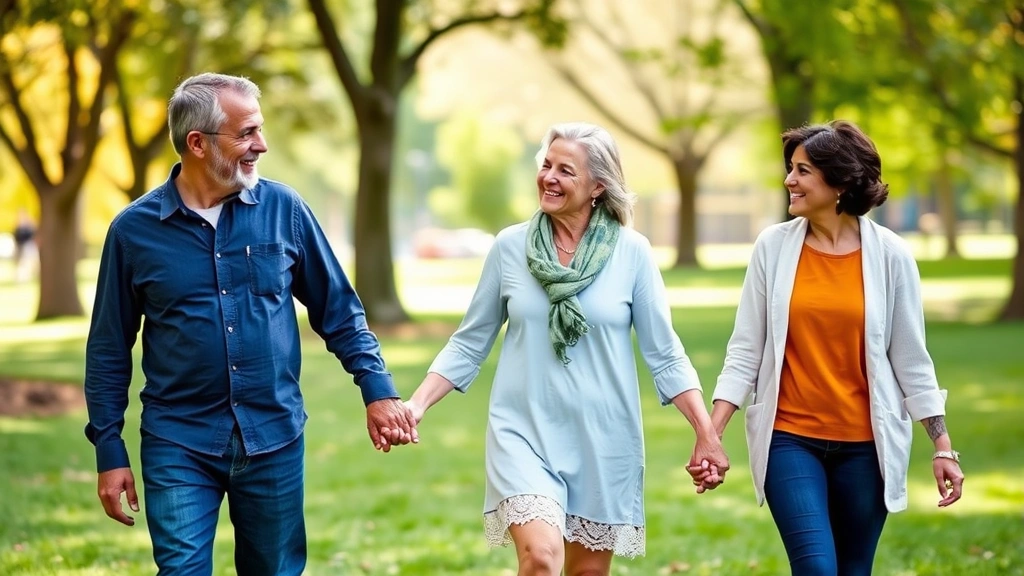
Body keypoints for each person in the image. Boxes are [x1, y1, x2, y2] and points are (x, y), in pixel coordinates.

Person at [83, 72, 417, 575]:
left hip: (274, 435)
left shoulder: (285, 209)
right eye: (246, 134)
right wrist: (109, 449)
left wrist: (378, 390)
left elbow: (339, 310)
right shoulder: (133, 232)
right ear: (197, 143)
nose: (261, 145)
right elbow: (108, 349)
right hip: (179, 440)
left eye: (259, 130)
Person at [400, 122, 728, 576]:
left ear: (597, 186)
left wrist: (705, 433)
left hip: (605, 437)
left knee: (586, 572)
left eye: (565, 170)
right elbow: (470, 341)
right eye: (546, 165)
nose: (549, 177)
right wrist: (416, 405)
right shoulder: (510, 248)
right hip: (524, 430)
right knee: (540, 558)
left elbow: (665, 353)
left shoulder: (632, 253)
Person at [690, 120, 965, 575]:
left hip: (866, 448)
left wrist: (942, 446)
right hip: (790, 440)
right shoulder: (772, 249)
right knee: (816, 568)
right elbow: (744, 353)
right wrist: (711, 436)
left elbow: (912, 360)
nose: (789, 181)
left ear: (838, 182)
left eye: (802, 171)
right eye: (790, 169)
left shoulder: (891, 257)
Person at [12, 208, 37, 283]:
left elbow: (32, 235)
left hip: (27, 247)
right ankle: (20, 278)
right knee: (20, 263)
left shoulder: (29, 227)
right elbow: (16, 236)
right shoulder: (18, 227)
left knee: (27, 262)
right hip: (20, 246)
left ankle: (26, 277)